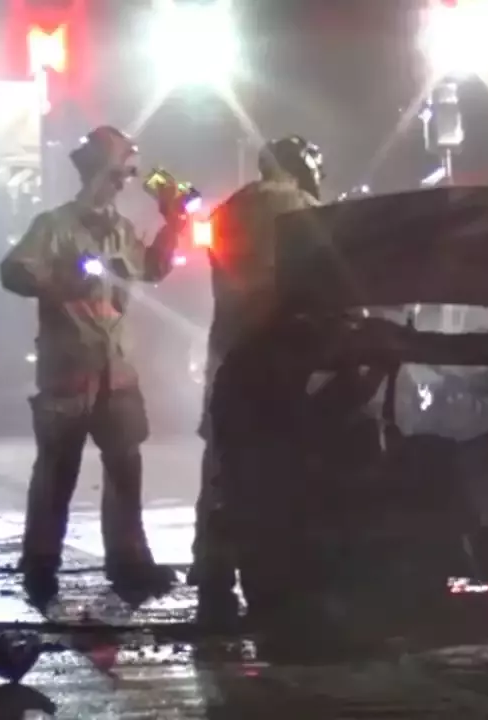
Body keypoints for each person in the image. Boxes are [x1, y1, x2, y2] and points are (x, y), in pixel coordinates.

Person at [0, 125, 186, 607]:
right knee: (56, 473)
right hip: (68, 373)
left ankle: (130, 565)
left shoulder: (122, 230)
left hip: (116, 373)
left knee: (126, 468)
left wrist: (174, 221)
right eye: (120, 172)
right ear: (100, 170)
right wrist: (65, 280)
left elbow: (155, 268)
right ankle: (40, 567)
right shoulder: (54, 226)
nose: (124, 182)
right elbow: (14, 271)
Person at [187, 135, 324, 631]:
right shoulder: (305, 209)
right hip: (283, 359)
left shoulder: (227, 211)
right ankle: (281, 578)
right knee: (284, 471)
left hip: (228, 354)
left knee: (221, 467)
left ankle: (213, 574)